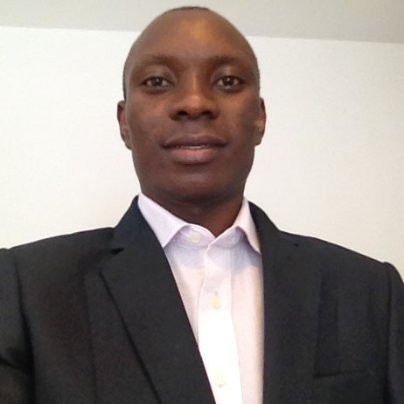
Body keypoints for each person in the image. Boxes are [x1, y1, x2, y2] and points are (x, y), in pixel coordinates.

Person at [0, 6, 403, 404]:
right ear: (124, 122)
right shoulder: (27, 289)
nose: (194, 102)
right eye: (158, 81)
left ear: (259, 118)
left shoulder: (371, 292)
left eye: (227, 81)